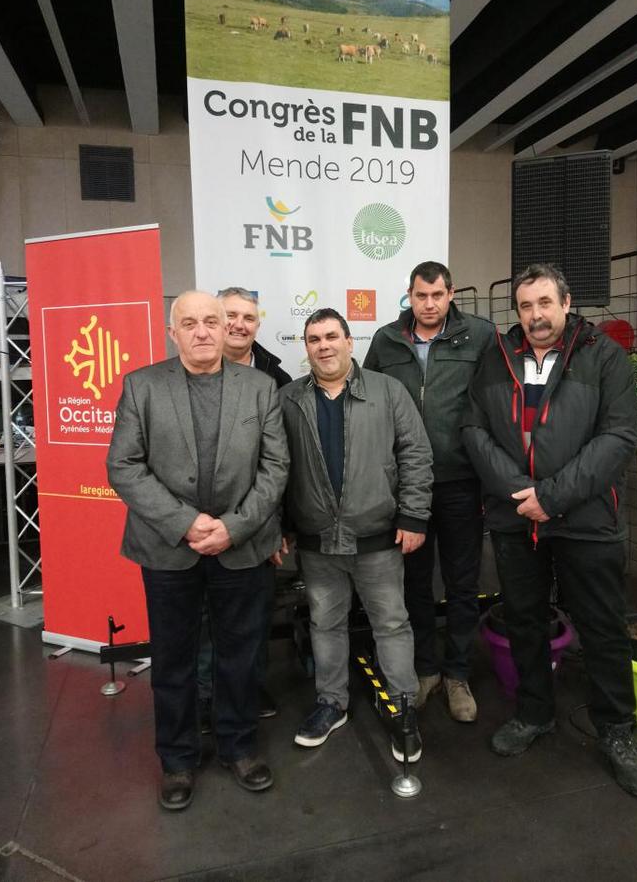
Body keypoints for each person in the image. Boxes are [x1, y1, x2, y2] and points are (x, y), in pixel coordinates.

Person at [461, 263, 637, 798]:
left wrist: (552, 496)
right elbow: (473, 429)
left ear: (567, 304)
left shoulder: (604, 356)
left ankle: (617, 731)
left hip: (587, 519)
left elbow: (618, 437)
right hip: (514, 515)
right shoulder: (497, 357)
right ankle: (533, 713)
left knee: (603, 627)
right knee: (524, 619)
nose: (536, 316)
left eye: (545, 303)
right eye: (526, 306)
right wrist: (522, 493)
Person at [107, 291, 289, 811]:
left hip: (242, 545)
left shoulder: (260, 389)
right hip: (167, 549)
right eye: (191, 323)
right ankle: (178, 759)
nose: (205, 330)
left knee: (240, 656)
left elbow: (275, 468)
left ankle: (238, 746)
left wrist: (232, 527)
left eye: (213, 320)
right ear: (173, 332)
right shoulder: (142, 386)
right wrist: (187, 523)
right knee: (173, 659)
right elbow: (124, 466)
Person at [279, 308, 433, 761]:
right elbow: (277, 469)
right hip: (318, 542)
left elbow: (416, 454)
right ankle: (331, 703)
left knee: (391, 624)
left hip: (378, 538)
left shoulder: (388, 392)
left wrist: (415, 516)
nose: (323, 346)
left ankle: (404, 707)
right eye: (313, 339)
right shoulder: (289, 399)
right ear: (305, 347)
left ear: (350, 342)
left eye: (331, 336)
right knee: (325, 624)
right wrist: (280, 528)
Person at [364, 261, 493, 722]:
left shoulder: (479, 335)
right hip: (406, 487)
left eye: (438, 295)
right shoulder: (386, 340)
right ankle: (426, 669)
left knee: (462, 583)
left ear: (451, 293)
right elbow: (370, 399)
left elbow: (495, 397)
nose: (430, 304)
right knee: (414, 583)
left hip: (461, 481)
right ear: (410, 296)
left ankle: (458, 673)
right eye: (421, 296)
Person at [196, 287, 291, 730]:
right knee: (201, 625)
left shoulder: (277, 378)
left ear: (258, 324)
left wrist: (272, 527)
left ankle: (246, 694)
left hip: (256, 526)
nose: (238, 324)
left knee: (252, 622)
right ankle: (203, 698)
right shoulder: (179, 375)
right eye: (228, 315)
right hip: (194, 529)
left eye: (248, 317)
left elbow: (283, 464)